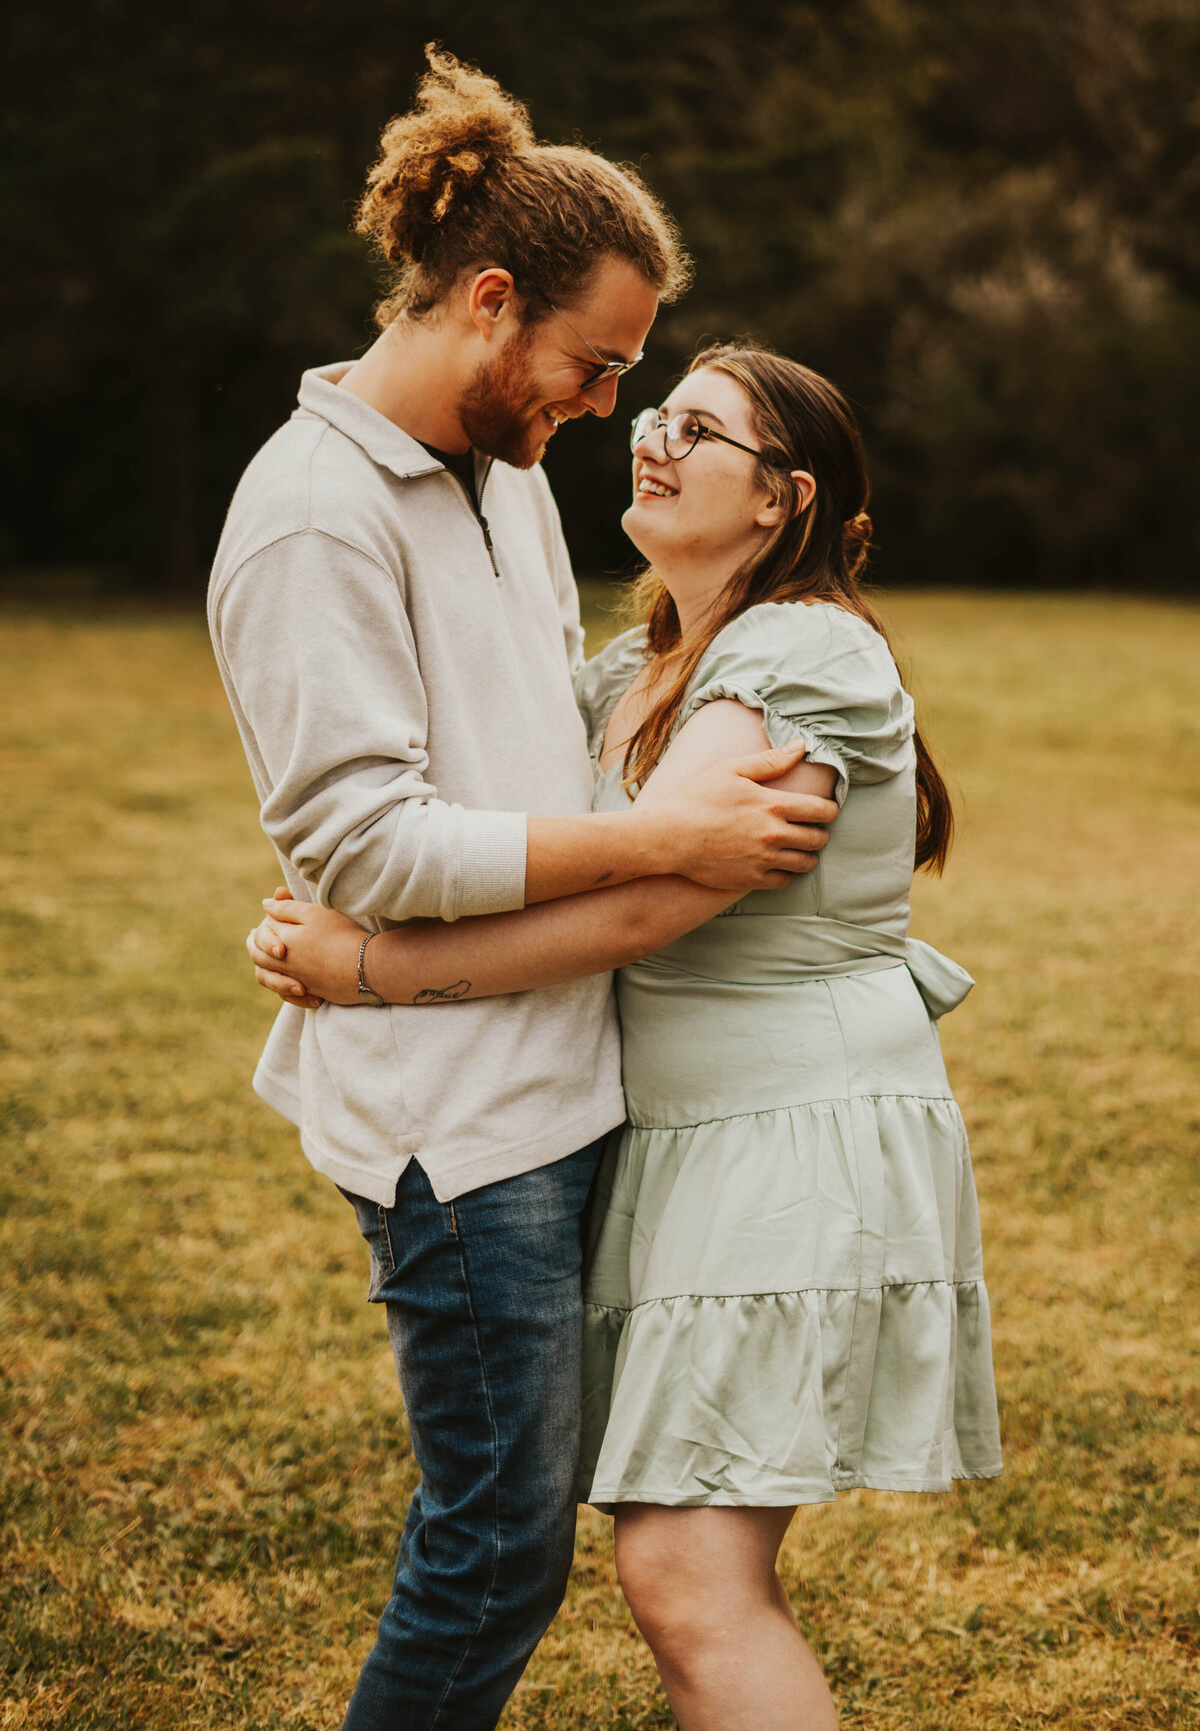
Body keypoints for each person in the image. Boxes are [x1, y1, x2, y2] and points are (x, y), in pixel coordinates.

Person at [209, 48, 837, 1731]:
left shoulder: (500, 478)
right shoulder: (311, 520)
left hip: (562, 1075)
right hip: (454, 1122)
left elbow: (540, 737)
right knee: (494, 1545)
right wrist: (666, 848)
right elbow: (374, 847)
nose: (607, 405)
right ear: (492, 301)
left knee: (523, 1525)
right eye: (596, 363)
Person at [250, 341, 1004, 1731]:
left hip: (793, 1138)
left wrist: (375, 966)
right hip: (696, 1140)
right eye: (655, 412)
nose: (649, 437)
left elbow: (642, 907)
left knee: (687, 1573)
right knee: (678, 1570)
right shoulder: (650, 663)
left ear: (781, 499)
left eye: (697, 429)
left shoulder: (800, 650)